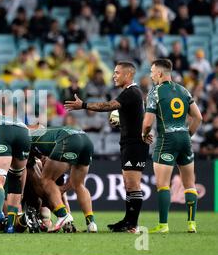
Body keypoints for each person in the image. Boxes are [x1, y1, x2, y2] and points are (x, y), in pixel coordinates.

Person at [66, 61, 149, 233]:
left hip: (135, 144)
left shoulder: (131, 92)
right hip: (129, 142)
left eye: (117, 73)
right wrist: (123, 123)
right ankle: (128, 221)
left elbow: (108, 106)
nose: (114, 75)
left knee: (133, 184)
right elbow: (136, 118)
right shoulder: (132, 93)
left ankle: (132, 224)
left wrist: (83, 105)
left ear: (128, 75)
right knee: (128, 183)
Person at [142, 59, 203, 233]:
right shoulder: (183, 90)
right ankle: (192, 224)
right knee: (189, 183)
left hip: (166, 140)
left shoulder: (155, 92)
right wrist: (187, 134)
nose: (151, 74)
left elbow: (147, 123)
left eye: (152, 71)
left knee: (163, 185)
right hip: (184, 138)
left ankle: (163, 225)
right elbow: (198, 117)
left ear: (160, 73)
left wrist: (144, 134)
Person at [29, 125, 96, 232]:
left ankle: (62, 215)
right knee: (79, 184)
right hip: (86, 140)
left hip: (69, 140)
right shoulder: (48, 132)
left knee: (46, 179)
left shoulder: (28, 138)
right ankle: (91, 222)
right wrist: (62, 189)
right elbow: (73, 182)